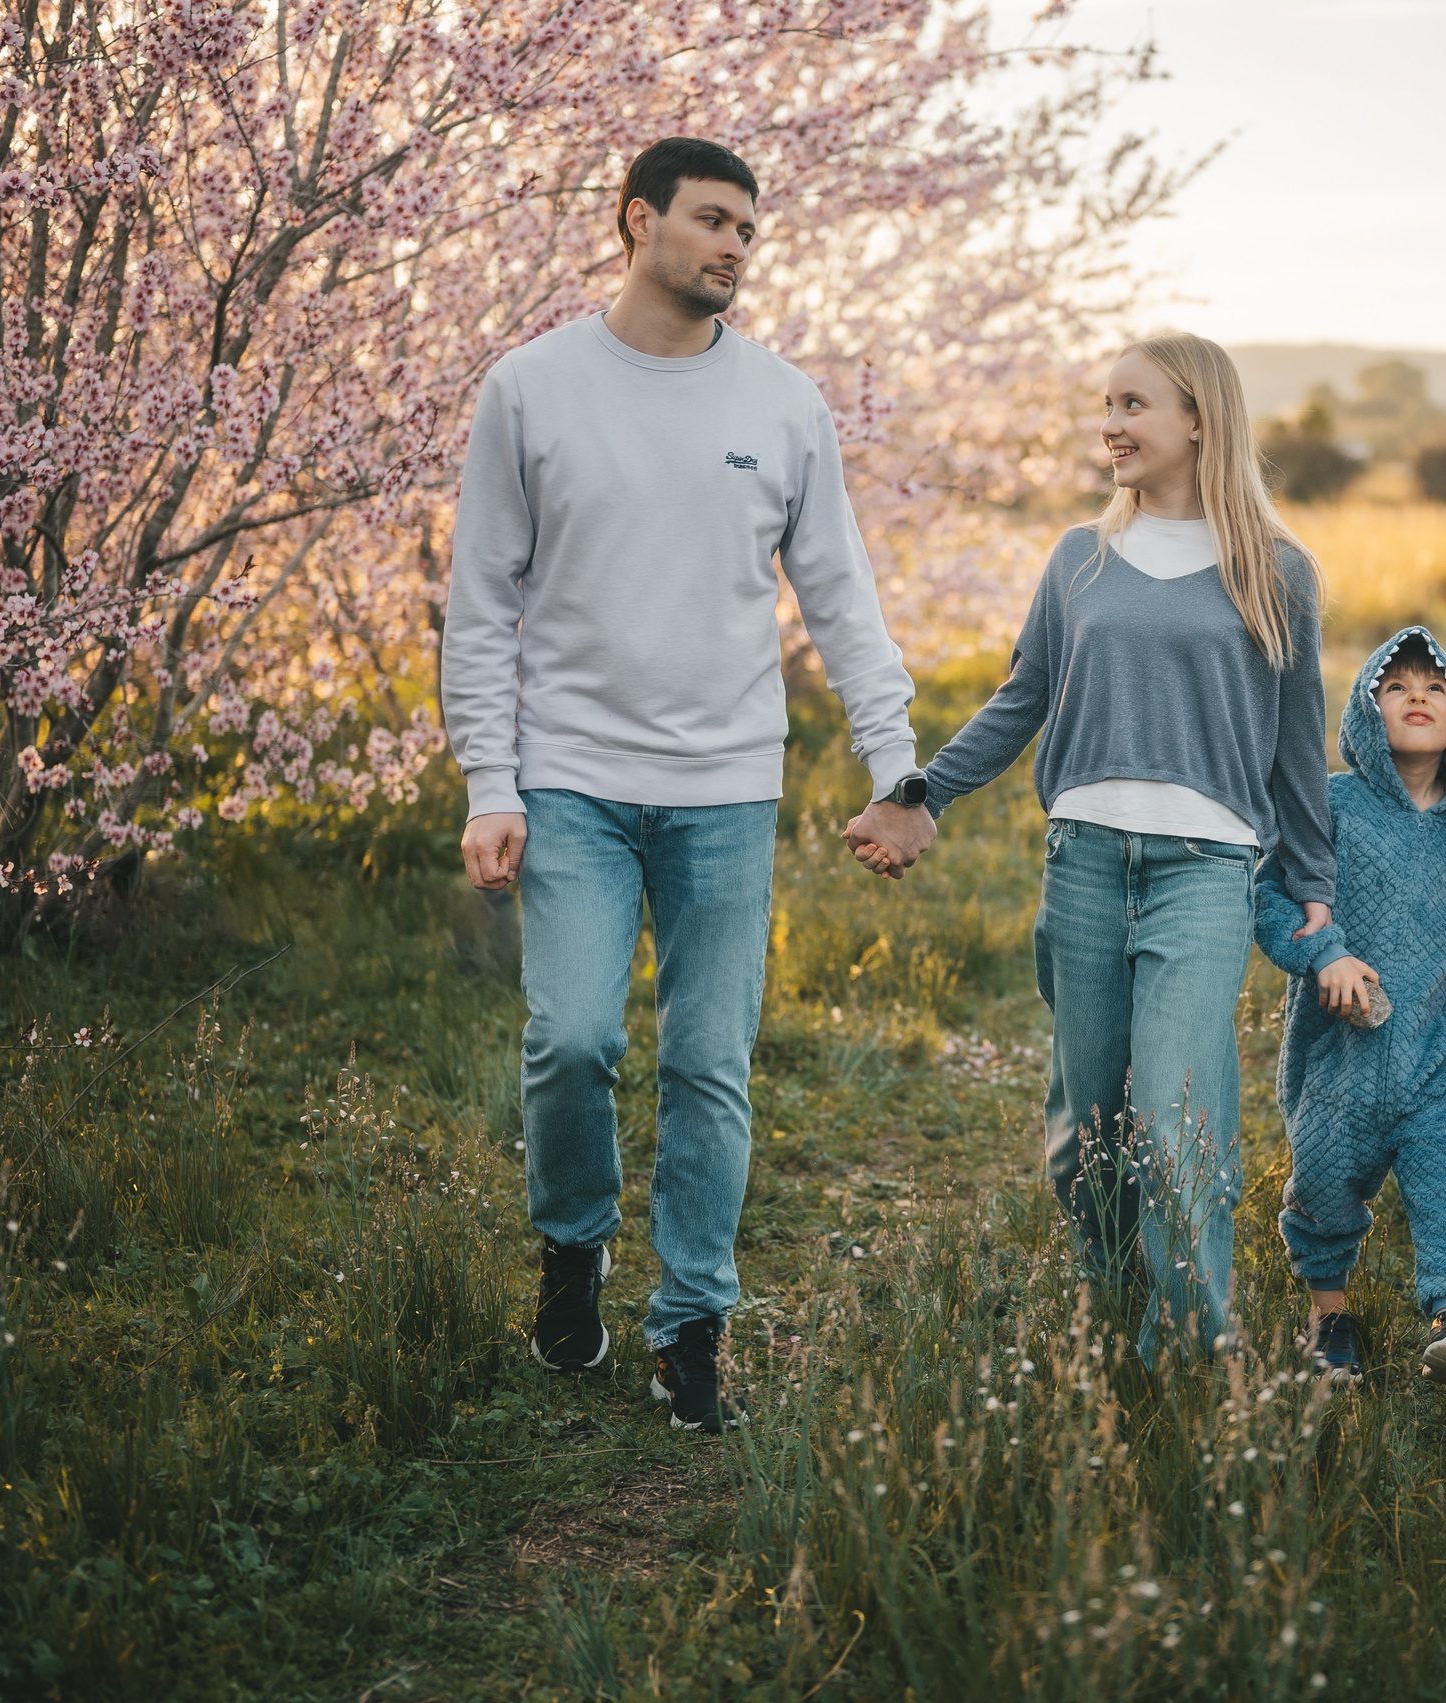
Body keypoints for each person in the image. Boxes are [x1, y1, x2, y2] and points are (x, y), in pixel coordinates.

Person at [441, 137, 937, 1432]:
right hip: (572, 782)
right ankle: (573, 1242)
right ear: (635, 218)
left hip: (726, 787)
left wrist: (900, 763)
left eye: (748, 231)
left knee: (710, 1061)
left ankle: (691, 1323)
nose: (734, 245)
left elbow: (840, 594)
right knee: (574, 1041)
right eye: (712, 220)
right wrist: (491, 781)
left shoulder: (782, 404)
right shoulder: (532, 388)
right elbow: (480, 599)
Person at [854, 332, 1333, 1357]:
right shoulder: (1081, 556)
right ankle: (1114, 1314)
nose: (1108, 425)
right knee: (1083, 1137)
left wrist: (1313, 884)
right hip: (1081, 863)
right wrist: (920, 794)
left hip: (1203, 875)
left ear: (1198, 418)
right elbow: (1020, 698)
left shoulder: (1277, 570)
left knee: (1174, 1117)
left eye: (1132, 405)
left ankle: (1199, 1346)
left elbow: (1297, 747)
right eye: (1104, 405)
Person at [1253, 628, 1446, 1388]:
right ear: (1367, 711)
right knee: (1325, 1185)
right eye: (1395, 687)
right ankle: (1329, 1317)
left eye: (1436, 687)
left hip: (1437, 1054)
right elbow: (1270, 895)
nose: (1417, 698)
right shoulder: (1331, 803)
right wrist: (1320, 950)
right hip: (1340, 1057)